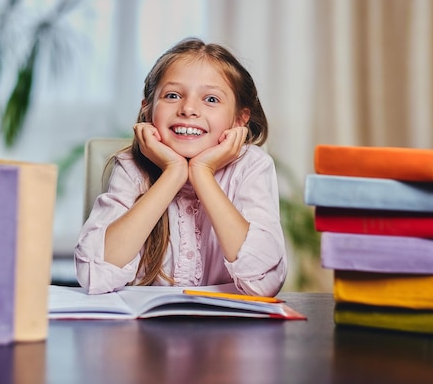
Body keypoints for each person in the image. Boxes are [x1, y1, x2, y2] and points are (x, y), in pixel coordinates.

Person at [74, 37, 287, 296]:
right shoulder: (131, 167)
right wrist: (173, 174)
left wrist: (203, 173)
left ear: (240, 119)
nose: (188, 109)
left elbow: (264, 282)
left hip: (229, 333)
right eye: (173, 95)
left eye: (210, 99)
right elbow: (94, 275)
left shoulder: (251, 166)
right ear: (147, 109)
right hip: (145, 334)